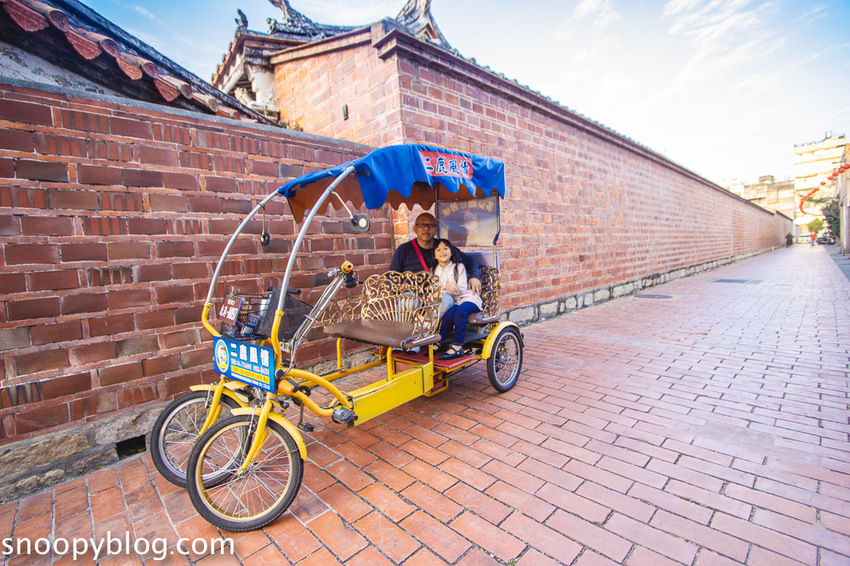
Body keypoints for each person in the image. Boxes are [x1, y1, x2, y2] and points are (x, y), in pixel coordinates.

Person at [388, 212, 482, 296]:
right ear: (415, 229)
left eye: (431, 225)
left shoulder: (444, 247)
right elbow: (391, 277)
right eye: (422, 225)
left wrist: (474, 277)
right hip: (414, 295)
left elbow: (470, 260)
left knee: (447, 302)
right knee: (408, 302)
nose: (426, 228)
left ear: (436, 229)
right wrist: (400, 289)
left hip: (440, 294)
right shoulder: (403, 250)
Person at [431, 239, 482, 359]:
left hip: (468, 298)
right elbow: (435, 290)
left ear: (451, 252)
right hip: (454, 301)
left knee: (460, 312)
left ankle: (458, 346)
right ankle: (439, 341)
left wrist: (447, 287)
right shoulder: (433, 271)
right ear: (434, 255)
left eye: (445, 249)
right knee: (448, 314)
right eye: (438, 250)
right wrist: (446, 286)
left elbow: (463, 289)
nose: (442, 252)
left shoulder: (459, 267)